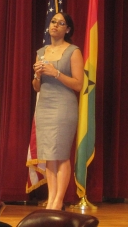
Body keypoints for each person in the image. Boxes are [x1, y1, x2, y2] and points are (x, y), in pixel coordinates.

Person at [32, 12, 84, 210]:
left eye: (60, 23)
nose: (55, 25)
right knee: (49, 155)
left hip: (63, 107)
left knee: (61, 154)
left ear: (67, 29)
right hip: (44, 106)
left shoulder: (73, 51)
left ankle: (58, 201)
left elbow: (78, 85)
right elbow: (37, 87)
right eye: (53, 22)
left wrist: (56, 73)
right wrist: (37, 76)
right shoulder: (41, 52)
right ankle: (51, 199)